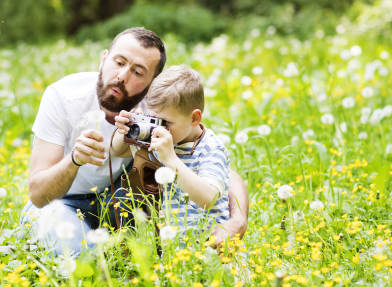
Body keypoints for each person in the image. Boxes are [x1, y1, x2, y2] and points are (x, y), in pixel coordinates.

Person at [21, 27, 248, 255]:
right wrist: (73, 160)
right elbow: (39, 195)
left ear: (152, 84)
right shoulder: (63, 97)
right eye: (118, 62)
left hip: (119, 205)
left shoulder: (161, 108)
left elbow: (218, 166)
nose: (122, 76)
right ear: (103, 59)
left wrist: (237, 220)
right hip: (61, 203)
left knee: (121, 257)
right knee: (81, 260)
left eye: (138, 72)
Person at [111, 65, 230, 238]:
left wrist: (171, 159)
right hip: (172, 247)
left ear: (194, 118)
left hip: (211, 247)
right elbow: (117, 151)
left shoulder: (210, 148)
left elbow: (209, 199)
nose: (158, 128)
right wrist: (124, 129)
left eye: (165, 122)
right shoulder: (162, 138)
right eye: (153, 119)